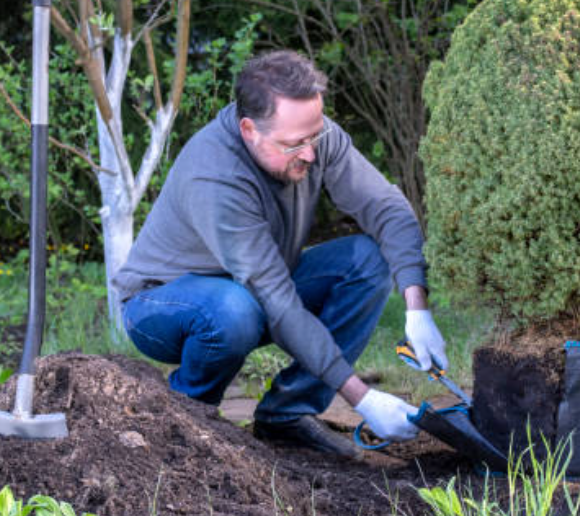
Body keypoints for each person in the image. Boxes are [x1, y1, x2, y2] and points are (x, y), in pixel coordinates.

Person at [112, 50, 448, 458]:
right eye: (294, 144)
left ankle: (287, 415)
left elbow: (387, 209)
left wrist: (417, 307)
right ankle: (187, 422)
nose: (310, 152)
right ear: (249, 129)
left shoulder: (311, 135)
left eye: (315, 136)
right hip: (162, 304)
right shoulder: (215, 175)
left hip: (255, 289)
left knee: (367, 260)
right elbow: (276, 302)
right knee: (233, 310)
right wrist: (363, 398)